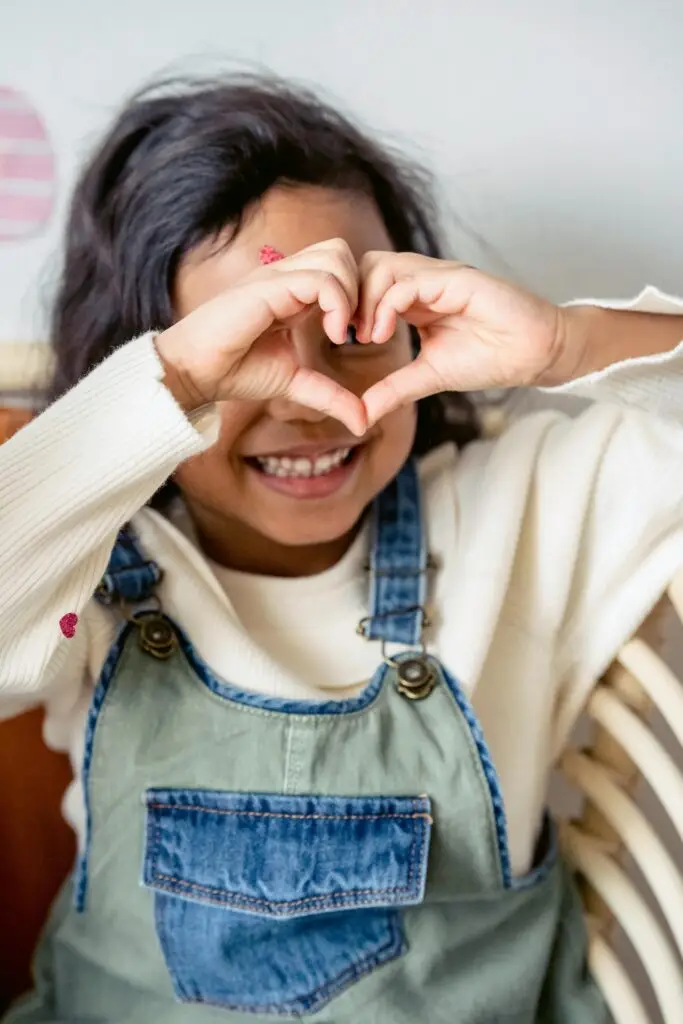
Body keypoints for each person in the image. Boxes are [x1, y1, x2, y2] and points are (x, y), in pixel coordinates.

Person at [2, 74, 683, 1024]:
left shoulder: (525, 508)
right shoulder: (87, 570)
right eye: (246, 345)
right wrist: (172, 382)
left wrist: (567, 344)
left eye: (352, 329)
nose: (307, 395)